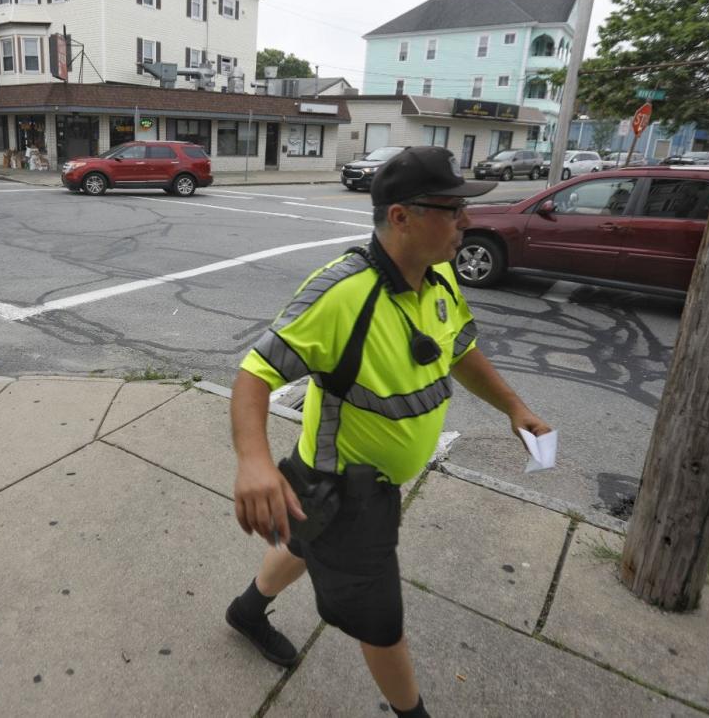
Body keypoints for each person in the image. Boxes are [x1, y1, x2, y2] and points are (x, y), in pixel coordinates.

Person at [225, 146, 551, 717]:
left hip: (340, 490)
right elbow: (255, 372)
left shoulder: (442, 275)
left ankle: (246, 611)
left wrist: (513, 407)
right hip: (347, 491)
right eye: (452, 209)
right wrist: (252, 461)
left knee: (303, 540)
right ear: (401, 217)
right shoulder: (343, 294)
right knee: (381, 623)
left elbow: (460, 349)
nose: (467, 221)